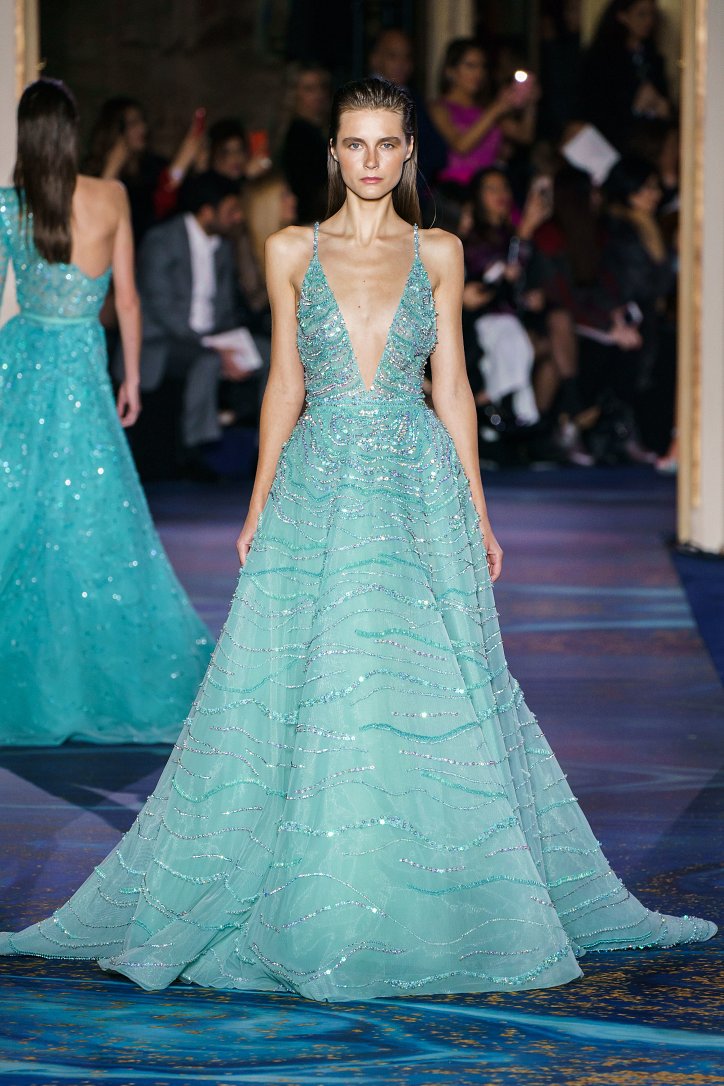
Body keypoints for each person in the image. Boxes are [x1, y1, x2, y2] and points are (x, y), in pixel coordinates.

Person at [0, 77, 714, 998]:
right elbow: (284, 385)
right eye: (354, 144)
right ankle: (320, 893)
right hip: (320, 482)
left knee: (431, 677)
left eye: (386, 144)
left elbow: (452, 387)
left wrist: (479, 510)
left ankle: (439, 890)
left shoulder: (439, 251)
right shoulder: (290, 249)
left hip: (418, 485)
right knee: (320, 676)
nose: (370, 160)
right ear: (333, 154)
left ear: (407, 152)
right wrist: (257, 502)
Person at [0, 79, 212, 746]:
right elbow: (127, 301)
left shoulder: (10, 205)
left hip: (23, 362)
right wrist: (133, 380)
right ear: (71, 131)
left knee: (22, 507)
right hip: (81, 366)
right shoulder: (111, 196)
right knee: (87, 513)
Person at [133, 171, 266, 479]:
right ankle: (198, 449)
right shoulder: (162, 241)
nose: (238, 217)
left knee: (271, 355)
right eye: (231, 210)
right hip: (165, 341)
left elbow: (226, 309)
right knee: (207, 361)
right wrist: (216, 348)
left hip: (211, 337)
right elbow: (161, 309)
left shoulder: (223, 246)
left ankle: (266, 447)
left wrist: (232, 342)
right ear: (207, 212)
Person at [430, 39, 539, 205]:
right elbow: (461, 146)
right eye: (471, 66)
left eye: (482, 66)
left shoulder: (486, 110)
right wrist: (497, 108)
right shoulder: (439, 108)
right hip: (456, 194)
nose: (478, 73)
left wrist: (530, 104)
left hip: (491, 192)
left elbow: (524, 135)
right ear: (451, 71)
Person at [580, 0, 671, 151]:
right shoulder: (600, 59)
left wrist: (664, 108)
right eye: (642, 14)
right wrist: (634, 107)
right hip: (614, 145)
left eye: (652, 15)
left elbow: (665, 99)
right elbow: (595, 109)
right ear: (623, 16)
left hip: (652, 144)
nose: (649, 21)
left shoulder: (653, 59)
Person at [279, 63, 330, 224]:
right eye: (309, 89)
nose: (318, 94)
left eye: (321, 87)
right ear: (295, 94)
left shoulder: (327, 128)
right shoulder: (298, 134)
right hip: (309, 218)